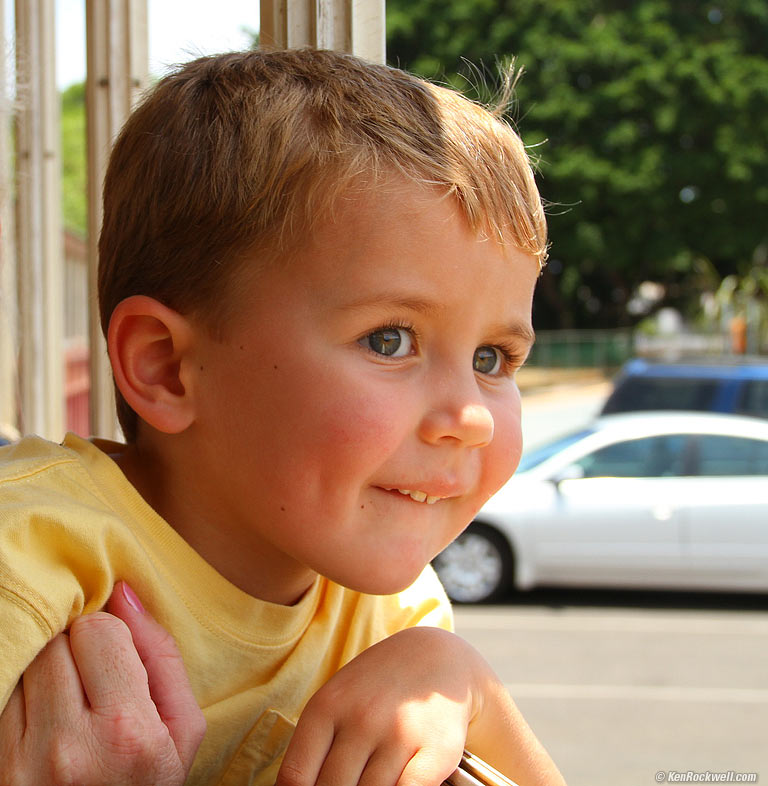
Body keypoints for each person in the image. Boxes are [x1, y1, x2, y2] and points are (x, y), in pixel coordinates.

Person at [0, 49, 564, 785]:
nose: (472, 418)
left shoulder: (394, 615)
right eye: (390, 340)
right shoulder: (30, 558)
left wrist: (467, 684)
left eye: (492, 359)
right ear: (168, 368)